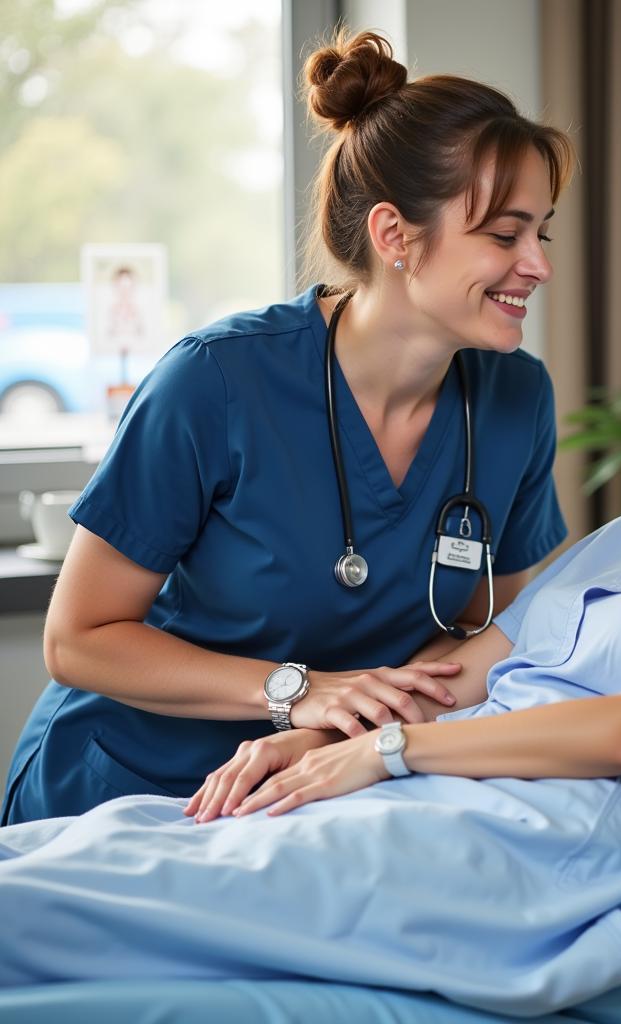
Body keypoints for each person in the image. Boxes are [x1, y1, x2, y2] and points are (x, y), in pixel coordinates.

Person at [0, 248, 621, 1017]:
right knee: (99, 851)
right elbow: (462, 673)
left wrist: (389, 750)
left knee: (79, 907)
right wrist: (311, 732)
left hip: (536, 832)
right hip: (431, 788)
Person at [2, 30, 575, 825]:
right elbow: (79, 639)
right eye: (504, 235)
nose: (539, 265)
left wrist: (341, 735)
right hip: (123, 785)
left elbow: (499, 630)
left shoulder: (516, 400)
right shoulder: (218, 381)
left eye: (541, 233)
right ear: (394, 236)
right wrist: (299, 693)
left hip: (316, 789)